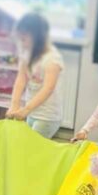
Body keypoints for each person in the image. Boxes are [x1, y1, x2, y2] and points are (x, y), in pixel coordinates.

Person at [6, 12, 64, 140]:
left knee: (32, 146)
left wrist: (26, 109)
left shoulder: (52, 59)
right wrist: (14, 104)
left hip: (47, 116)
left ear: (38, 38)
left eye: (24, 39)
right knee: (30, 145)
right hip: (33, 112)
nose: (22, 43)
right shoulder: (27, 53)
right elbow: (21, 79)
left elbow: (48, 89)